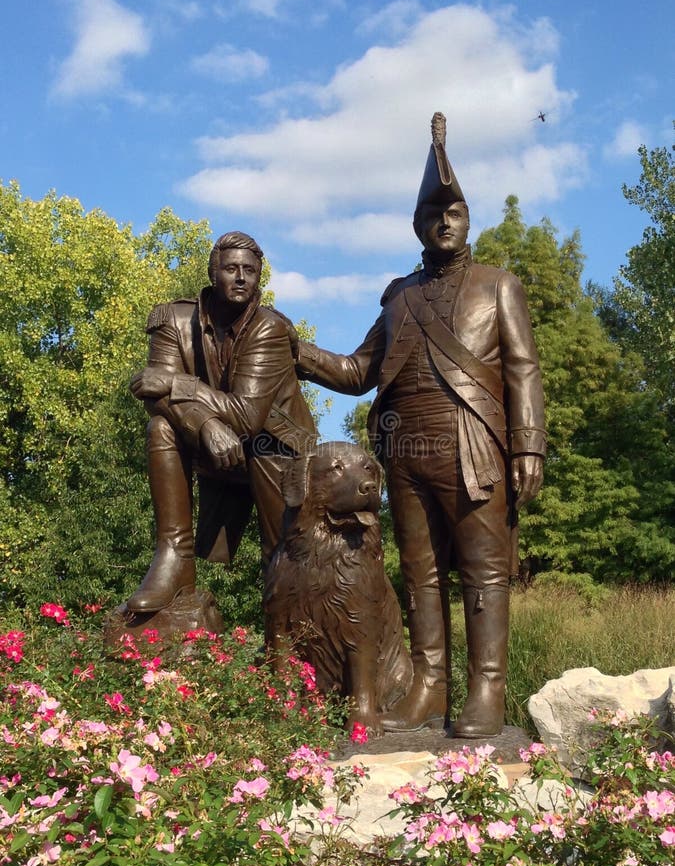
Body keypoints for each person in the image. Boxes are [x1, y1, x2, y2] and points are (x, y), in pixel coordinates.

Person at [296, 114, 546, 736]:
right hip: (404, 452)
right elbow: (359, 371)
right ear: (417, 224)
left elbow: (523, 369)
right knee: (421, 573)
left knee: (484, 571)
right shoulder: (398, 297)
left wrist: (528, 446)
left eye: (454, 213)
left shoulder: (499, 287)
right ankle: (431, 687)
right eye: (433, 214)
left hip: (474, 447)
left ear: (467, 221)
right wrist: (293, 348)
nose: (444, 222)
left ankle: (486, 688)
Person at [127, 231, 315, 614]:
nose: (241, 277)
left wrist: (180, 383)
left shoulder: (269, 328)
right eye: (231, 268)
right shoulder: (173, 319)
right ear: (214, 273)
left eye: (250, 270)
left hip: (276, 448)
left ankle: (295, 650)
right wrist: (208, 426)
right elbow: (155, 394)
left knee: (285, 559)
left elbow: (246, 416)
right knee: (161, 427)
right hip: (218, 446)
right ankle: (174, 558)